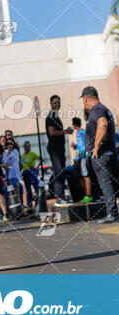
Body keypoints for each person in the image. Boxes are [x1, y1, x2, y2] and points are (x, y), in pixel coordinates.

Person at [81, 86, 119, 223]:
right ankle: (112, 212)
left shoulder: (96, 110)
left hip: (102, 154)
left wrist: (96, 146)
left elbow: (102, 125)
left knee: (105, 184)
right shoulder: (104, 109)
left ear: (86, 99)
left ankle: (112, 214)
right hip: (108, 152)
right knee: (108, 184)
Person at [45, 95, 73, 207]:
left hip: (60, 149)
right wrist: (65, 131)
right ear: (51, 104)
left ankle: (61, 196)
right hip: (54, 149)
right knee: (59, 172)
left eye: (58, 102)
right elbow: (52, 132)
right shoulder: (50, 117)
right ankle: (59, 197)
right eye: (55, 103)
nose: (57, 104)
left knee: (61, 172)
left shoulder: (56, 116)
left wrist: (65, 131)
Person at [72, 117, 92, 203]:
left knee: (85, 175)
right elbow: (80, 144)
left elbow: (87, 142)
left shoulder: (82, 132)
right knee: (80, 176)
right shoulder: (78, 133)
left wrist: (84, 151)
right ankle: (86, 194)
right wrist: (75, 146)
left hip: (84, 156)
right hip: (80, 156)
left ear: (74, 124)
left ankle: (88, 195)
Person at [21, 141, 40, 208]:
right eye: (26, 146)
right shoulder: (22, 156)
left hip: (32, 172)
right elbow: (21, 165)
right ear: (24, 147)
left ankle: (38, 203)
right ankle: (30, 205)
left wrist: (36, 167)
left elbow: (41, 159)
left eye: (29, 146)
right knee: (28, 190)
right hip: (25, 173)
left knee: (36, 187)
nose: (27, 147)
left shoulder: (32, 154)